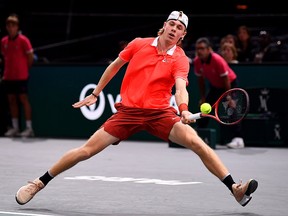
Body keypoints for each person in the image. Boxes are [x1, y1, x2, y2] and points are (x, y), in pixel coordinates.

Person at [15, 11, 258, 207]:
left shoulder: (181, 58)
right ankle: (38, 183)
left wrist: (183, 108)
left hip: (160, 114)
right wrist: (95, 93)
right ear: (163, 26)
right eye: (172, 24)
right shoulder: (138, 44)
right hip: (128, 113)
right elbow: (114, 66)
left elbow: (180, 87)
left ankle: (235, 188)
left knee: (197, 143)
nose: (174, 29)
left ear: (183, 36)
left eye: (180, 28)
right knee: (86, 151)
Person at [193, 37, 245, 148]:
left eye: (202, 48)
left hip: (230, 84)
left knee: (232, 109)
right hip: (215, 86)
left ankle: (238, 139)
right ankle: (198, 135)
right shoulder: (197, 61)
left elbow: (226, 79)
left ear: (209, 49)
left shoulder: (217, 59)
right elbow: (201, 81)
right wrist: (203, 97)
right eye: (197, 49)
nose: (199, 51)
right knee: (205, 108)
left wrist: (229, 97)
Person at [1, 13, 35, 137]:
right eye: (9, 25)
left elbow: (30, 57)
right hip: (9, 77)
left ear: (17, 27)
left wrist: (24, 69)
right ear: (6, 27)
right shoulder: (3, 41)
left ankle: (29, 128)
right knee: (11, 100)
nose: (11, 28)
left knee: (23, 100)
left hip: (21, 76)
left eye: (13, 25)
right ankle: (15, 128)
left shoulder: (23, 40)